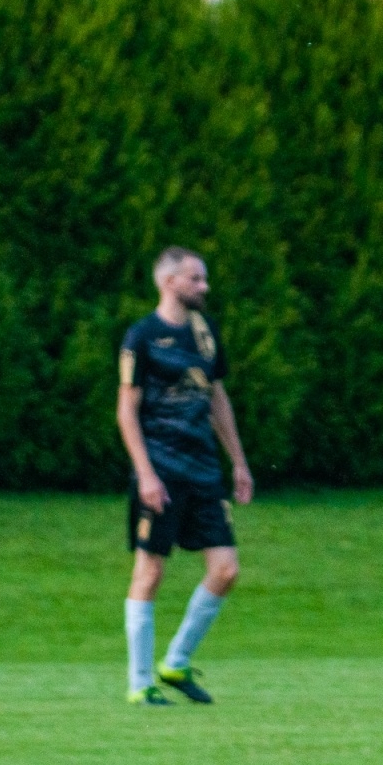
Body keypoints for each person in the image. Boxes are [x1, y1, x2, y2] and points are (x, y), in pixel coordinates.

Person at [117, 247, 254, 705]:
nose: (204, 286)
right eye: (195, 278)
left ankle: (175, 662)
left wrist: (238, 462)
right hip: (161, 470)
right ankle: (140, 684)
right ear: (169, 281)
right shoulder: (142, 337)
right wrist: (146, 474)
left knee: (226, 570)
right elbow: (126, 410)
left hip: (203, 471)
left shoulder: (205, 332)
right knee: (150, 571)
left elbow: (217, 398)